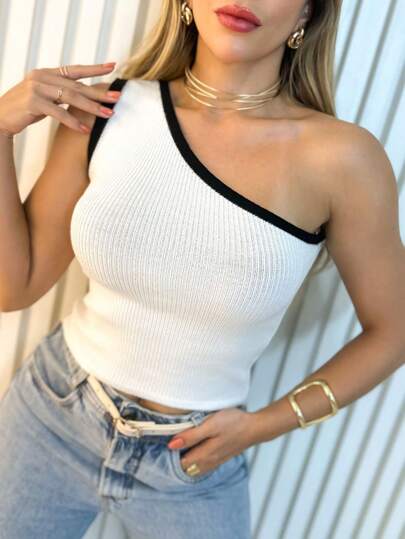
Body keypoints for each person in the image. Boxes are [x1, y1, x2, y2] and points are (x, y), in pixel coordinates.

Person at [0, 1, 403, 538]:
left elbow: (394, 329)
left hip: (196, 457)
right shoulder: (107, 108)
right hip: (53, 412)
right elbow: (15, 286)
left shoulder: (343, 160)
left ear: (308, 13)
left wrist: (263, 426)